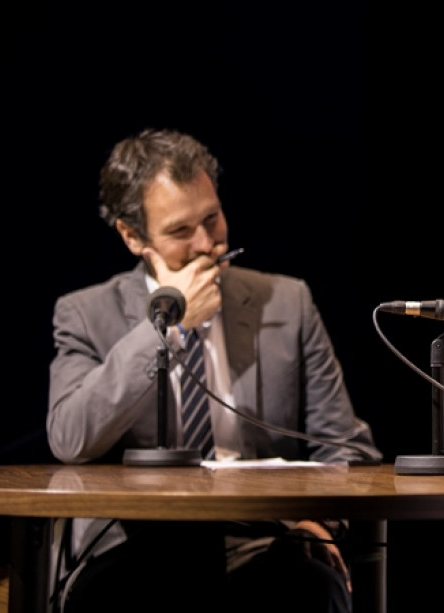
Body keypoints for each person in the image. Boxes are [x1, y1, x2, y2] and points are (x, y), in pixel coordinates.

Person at [47, 128, 381, 613]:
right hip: (134, 549)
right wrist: (167, 324)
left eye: (212, 218)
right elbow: (70, 438)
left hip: (261, 542)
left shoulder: (289, 302)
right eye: (181, 231)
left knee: (309, 589)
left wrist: (320, 523)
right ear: (132, 236)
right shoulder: (84, 314)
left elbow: (347, 446)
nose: (207, 243)